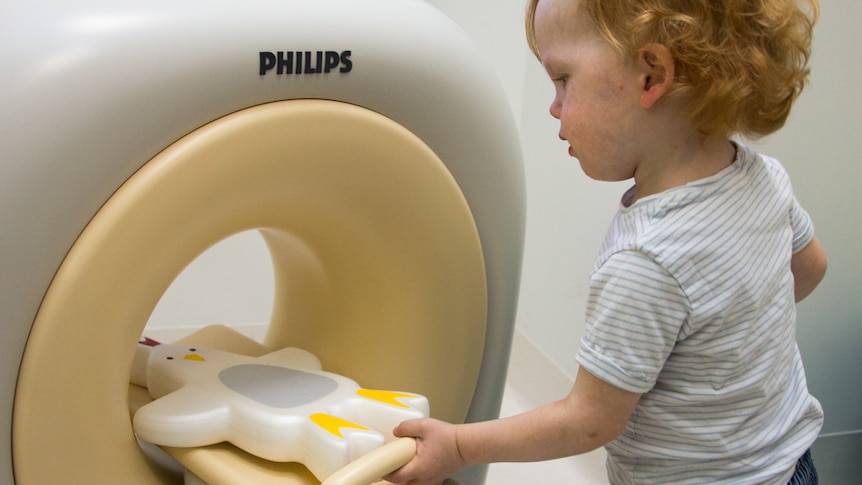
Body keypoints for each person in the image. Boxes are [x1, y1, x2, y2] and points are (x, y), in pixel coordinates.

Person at [384, 0, 826, 483]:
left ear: (651, 76)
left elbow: (587, 421)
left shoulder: (648, 259)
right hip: (792, 465)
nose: (553, 106)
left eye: (563, 79)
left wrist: (457, 445)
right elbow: (809, 268)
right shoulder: (763, 177)